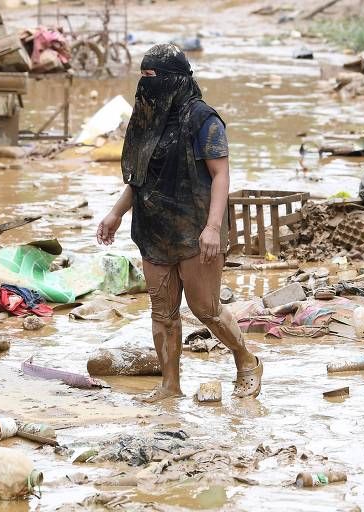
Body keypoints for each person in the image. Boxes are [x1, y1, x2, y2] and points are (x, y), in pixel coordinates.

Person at [96, 43, 263, 402]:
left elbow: (220, 175)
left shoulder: (204, 120)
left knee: (207, 310)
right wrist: (114, 213)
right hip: (154, 228)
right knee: (163, 313)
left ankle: (246, 360)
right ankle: (170, 385)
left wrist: (213, 227)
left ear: (174, 79)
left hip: (196, 227)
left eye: (152, 76)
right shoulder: (147, 119)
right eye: (142, 76)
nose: (146, 84)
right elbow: (140, 179)